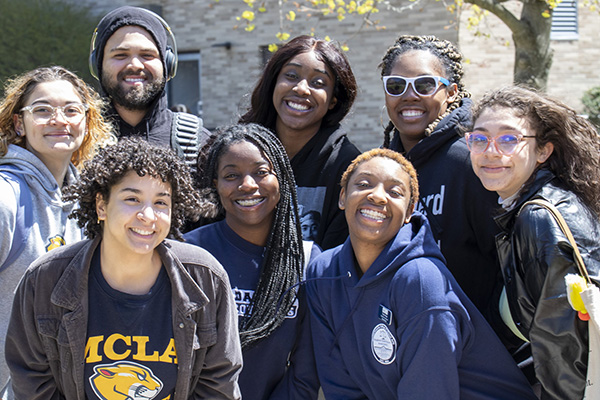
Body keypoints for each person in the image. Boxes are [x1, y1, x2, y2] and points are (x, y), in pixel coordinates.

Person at [5, 138, 242, 399]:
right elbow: (32, 380)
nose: (148, 216)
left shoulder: (206, 278)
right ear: (102, 206)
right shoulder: (45, 280)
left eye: (161, 202)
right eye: (132, 199)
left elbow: (218, 384)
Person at [305, 148, 537, 399]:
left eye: (395, 192)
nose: (378, 196)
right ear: (343, 197)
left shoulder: (421, 280)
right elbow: (341, 387)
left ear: (409, 211)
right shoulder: (323, 272)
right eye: (363, 184)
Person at [466, 85, 600, 399]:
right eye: (480, 138)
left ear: (543, 151)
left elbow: (564, 349)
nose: (491, 151)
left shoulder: (539, 218)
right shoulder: (530, 206)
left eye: (509, 139)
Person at [184, 123, 320, 400]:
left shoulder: (307, 261)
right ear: (217, 185)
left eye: (261, 172)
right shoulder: (189, 254)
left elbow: (305, 372)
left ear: (280, 178)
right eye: (231, 175)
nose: (247, 185)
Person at [0, 65, 113, 392]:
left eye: (71, 110)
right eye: (42, 110)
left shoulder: (88, 204)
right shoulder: (6, 197)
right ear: (20, 123)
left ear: (87, 121)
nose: (58, 119)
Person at [379, 34, 500, 315]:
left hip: (467, 342)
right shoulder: (385, 165)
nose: (409, 95)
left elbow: (506, 266)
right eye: (396, 86)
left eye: (424, 84)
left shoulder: (470, 161)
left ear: (452, 92)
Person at [240, 35, 361, 250]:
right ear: (273, 83)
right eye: (291, 75)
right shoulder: (238, 150)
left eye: (318, 83)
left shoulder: (347, 167)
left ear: (333, 99)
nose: (302, 88)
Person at [89, 5, 210, 167]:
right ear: (98, 65)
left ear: (167, 64)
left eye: (147, 55)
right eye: (120, 55)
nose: (135, 65)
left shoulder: (195, 143)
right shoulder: (77, 142)